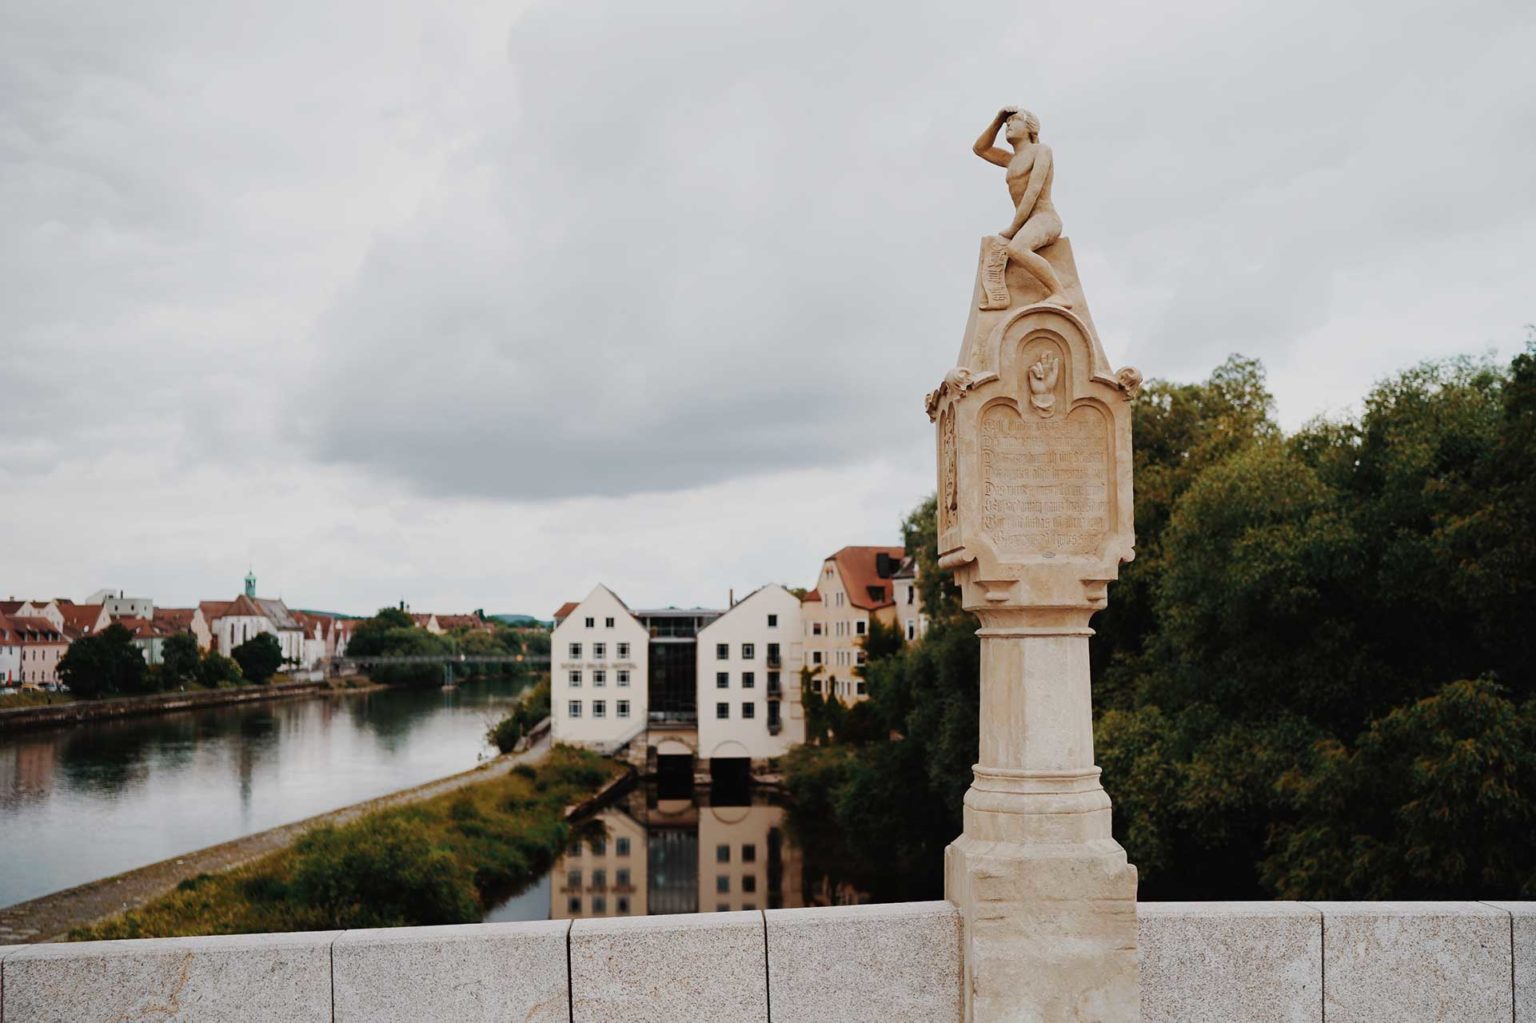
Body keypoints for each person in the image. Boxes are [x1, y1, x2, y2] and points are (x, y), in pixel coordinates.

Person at [972, 106, 1069, 309]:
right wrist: (998, 120)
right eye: (1007, 123)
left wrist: (1013, 228)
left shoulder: (1041, 150)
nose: (1009, 125)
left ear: (1030, 127)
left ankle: (1060, 293)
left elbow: (1033, 191)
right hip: (1026, 221)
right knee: (1013, 246)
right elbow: (979, 148)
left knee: (1017, 248)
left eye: (1014, 120)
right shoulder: (1011, 160)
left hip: (1045, 218)